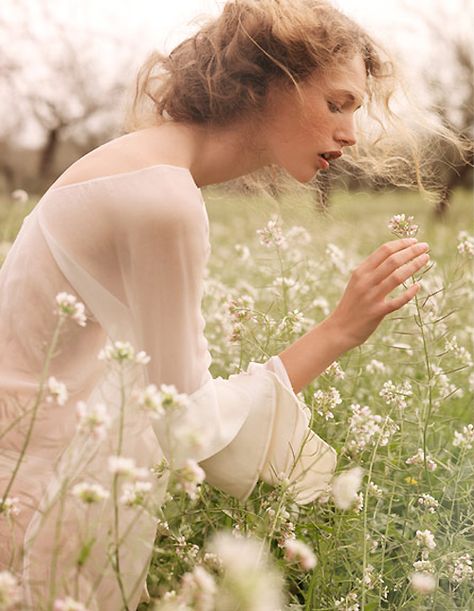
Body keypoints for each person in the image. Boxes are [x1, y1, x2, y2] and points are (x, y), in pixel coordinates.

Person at [0, 0, 432, 609]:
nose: (351, 134)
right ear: (266, 82)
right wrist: (339, 330)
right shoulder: (161, 196)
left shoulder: (141, 164)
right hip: (26, 500)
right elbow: (188, 425)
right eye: (337, 103)